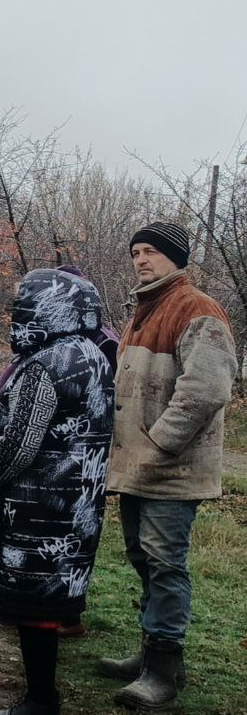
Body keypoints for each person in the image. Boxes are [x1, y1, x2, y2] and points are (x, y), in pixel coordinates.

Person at [98, 221, 237, 710]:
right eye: (136, 251)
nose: (141, 259)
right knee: (144, 559)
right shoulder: (145, 307)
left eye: (151, 251)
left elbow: (207, 391)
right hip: (138, 467)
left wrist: (158, 445)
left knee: (164, 565)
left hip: (170, 469)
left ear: (176, 257)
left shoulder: (195, 308)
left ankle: (162, 671)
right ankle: (153, 656)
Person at [0, 269, 116, 715]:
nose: (16, 312)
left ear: (48, 307)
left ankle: (39, 701)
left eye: (23, 303)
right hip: (78, 503)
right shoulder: (91, 353)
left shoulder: (45, 364)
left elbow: (20, 443)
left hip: (37, 506)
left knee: (34, 604)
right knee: (49, 600)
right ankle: (40, 697)